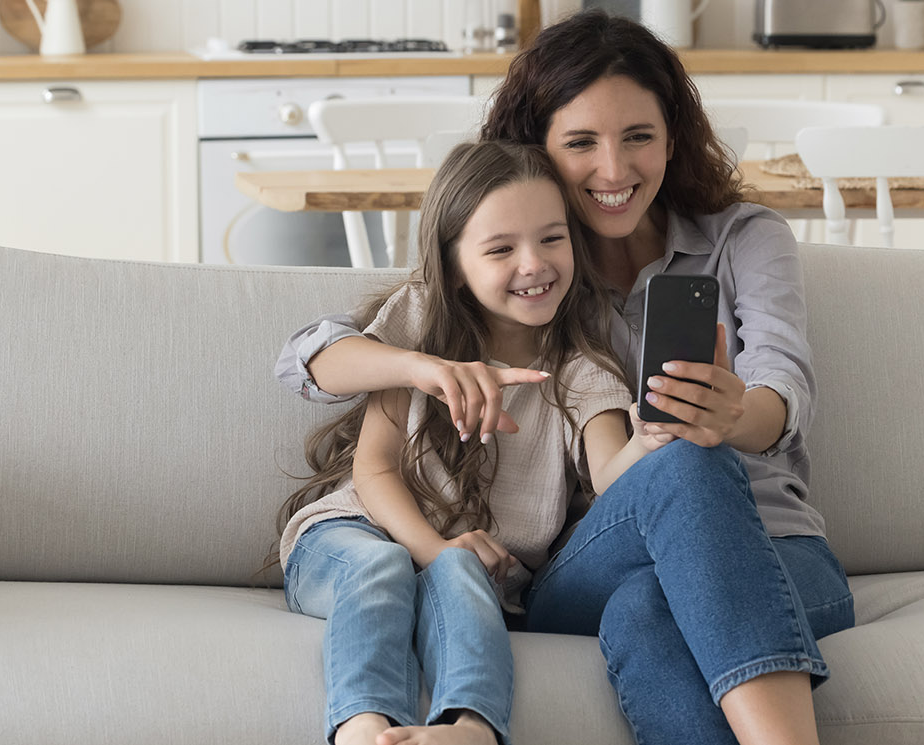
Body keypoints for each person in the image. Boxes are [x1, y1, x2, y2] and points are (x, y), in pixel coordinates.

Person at [273, 10, 855, 745]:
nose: (613, 171)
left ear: (672, 140)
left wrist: (731, 414)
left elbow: (783, 387)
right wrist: (428, 366)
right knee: (680, 463)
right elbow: (321, 351)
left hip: (774, 546)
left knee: (653, 583)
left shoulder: (742, 241)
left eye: (638, 136)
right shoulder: (525, 269)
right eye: (581, 143)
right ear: (538, 152)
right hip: (599, 553)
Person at [277, 140, 680, 745]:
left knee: (467, 572)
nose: (534, 264)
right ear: (456, 266)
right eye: (500, 249)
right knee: (383, 563)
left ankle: (471, 728)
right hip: (352, 534)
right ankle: (363, 727)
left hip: (471, 562)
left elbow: (611, 479)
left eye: (552, 238)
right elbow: (375, 469)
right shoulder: (420, 326)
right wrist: (421, 370)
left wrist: (650, 438)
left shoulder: (580, 373)